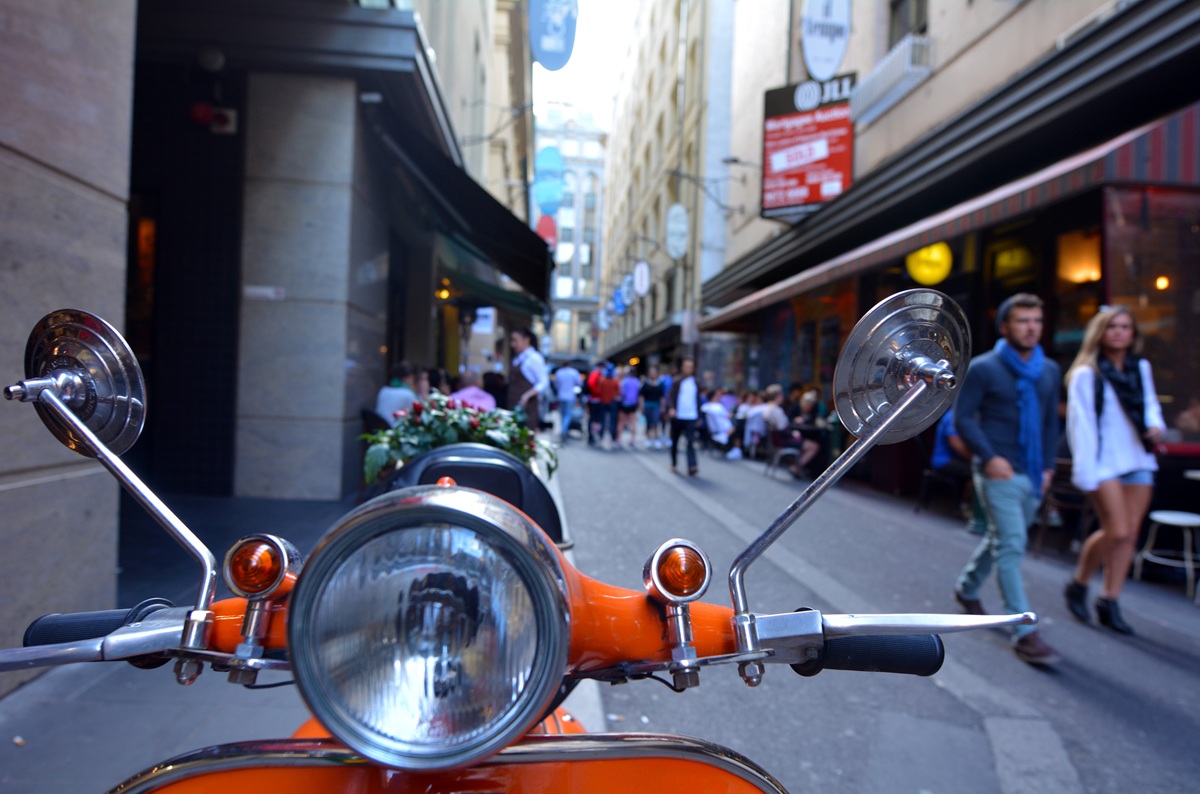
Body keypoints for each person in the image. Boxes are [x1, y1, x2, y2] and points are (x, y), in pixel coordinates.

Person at [953, 293, 1062, 666]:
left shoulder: (1049, 371)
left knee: (1001, 539)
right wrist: (989, 457)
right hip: (997, 471)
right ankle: (1025, 631)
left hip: (1032, 473)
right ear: (1005, 327)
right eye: (1022, 321)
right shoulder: (984, 368)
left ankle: (967, 588)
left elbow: (1050, 422)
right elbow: (963, 418)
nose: (1031, 327)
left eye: (1036, 320)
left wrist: (1047, 468)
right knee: (1013, 543)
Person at [1063, 305, 1165, 635]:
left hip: (1138, 458)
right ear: (1100, 332)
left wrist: (1154, 425)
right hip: (1103, 461)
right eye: (1112, 326)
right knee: (1117, 530)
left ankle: (1110, 599)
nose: (1119, 332)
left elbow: (1150, 404)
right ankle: (1079, 583)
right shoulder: (1086, 374)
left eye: (1125, 327)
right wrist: (1085, 470)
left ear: (1133, 333)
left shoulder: (1139, 367)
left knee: (1130, 535)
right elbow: (1082, 426)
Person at [930, 408, 986, 534]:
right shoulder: (953, 417)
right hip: (944, 461)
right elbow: (955, 443)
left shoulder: (965, 417)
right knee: (976, 474)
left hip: (956, 460)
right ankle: (964, 507)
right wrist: (976, 460)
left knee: (977, 471)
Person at [761, 384, 812, 479]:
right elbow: (782, 431)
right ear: (778, 396)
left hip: (776, 440)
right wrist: (793, 434)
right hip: (782, 441)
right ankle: (796, 467)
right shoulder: (776, 410)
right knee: (813, 446)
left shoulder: (768, 408)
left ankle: (796, 466)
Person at [665, 357, 701, 475]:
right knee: (675, 441)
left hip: (691, 416)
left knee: (690, 441)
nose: (688, 369)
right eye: (686, 367)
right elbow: (670, 397)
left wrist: (699, 416)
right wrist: (671, 408)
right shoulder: (677, 381)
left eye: (690, 367)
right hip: (678, 416)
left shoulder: (696, 382)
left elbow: (698, 400)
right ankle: (674, 463)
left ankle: (692, 465)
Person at [507, 327, 548, 430]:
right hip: (513, 405)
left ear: (526, 340)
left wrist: (527, 395)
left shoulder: (534, 358)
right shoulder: (517, 358)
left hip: (527, 410)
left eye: (515, 340)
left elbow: (544, 382)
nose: (513, 344)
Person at [375, 361, 417, 427]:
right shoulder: (407, 394)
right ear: (410, 377)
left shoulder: (384, 390)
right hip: (396, 432)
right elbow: (418, 414)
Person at [552, 362, 583, 443]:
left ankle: (563, 430)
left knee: (562, 414)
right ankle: (564, 431)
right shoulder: (574, 372)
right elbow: (579, 383)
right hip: (570, 396)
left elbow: (556, 385)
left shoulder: (559, 372)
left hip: (561, 396)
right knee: (567, 415)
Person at [640, 366, 667, 449]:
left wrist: (663, 406)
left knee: (655, 422)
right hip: (647, 405)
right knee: (648, 423)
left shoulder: (660, 384)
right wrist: (641, 405)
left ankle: (656, 438)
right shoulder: (646, 384)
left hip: (656, 406)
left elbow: (662, 396)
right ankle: (648, 439)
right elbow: (641, 396)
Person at [617, 366, 642, 449]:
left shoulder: (624, 381)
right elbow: (638, 394)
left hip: (624, 404)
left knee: (621, 422)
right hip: (633, 405)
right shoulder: (637, 382)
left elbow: (622, 393)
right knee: (632, 423)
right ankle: (633, 440)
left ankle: (619, 439)